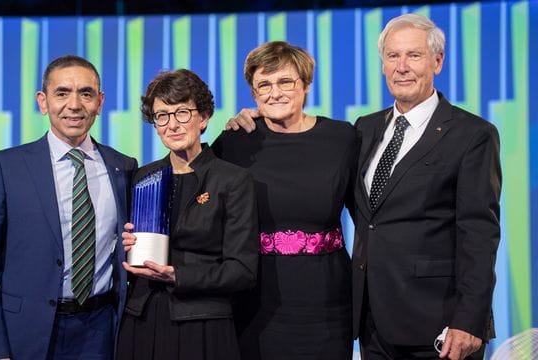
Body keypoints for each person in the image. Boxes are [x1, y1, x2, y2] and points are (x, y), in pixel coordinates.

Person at [351, 14, 501, 360]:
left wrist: (470, 320)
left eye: (413, 56)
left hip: (438, 325)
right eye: (392, 56)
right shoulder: (364, 128)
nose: (401, 67)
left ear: (437, 61)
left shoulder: (471, 135)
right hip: (371, 322)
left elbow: (479, 233)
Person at [0, 55, 137, 359]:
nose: (74, 104)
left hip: (101, 331)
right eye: (62, 93)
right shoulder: (5, 166)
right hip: (27, 335)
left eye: (86, 93)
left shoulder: (123, 166)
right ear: (42, 102)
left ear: (99, 102)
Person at [214, 41, 359, 359]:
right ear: (253, 95)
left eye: (285, 82)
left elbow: (369, 219)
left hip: (327, 301)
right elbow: (201, 202)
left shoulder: (342, 138)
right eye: (263, 84)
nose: (274, 92)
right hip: (255, 300)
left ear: (306, 85)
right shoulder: (235, 141)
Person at [116, 69, 259, 360]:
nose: (172, 124)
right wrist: (126, 243)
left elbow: (242, 271)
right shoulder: (143, 177)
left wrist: (178, 275)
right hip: (141, 318)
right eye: (162, 116)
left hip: (202, 321)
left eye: (182, 112)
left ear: (203, 117)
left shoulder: (231, 180)